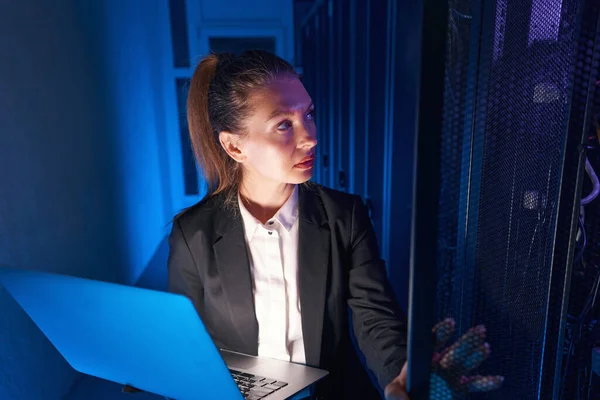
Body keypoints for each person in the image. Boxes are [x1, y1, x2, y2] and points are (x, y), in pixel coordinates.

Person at [167, 50, 503, 399]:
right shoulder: (193, 235)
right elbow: (187, 344)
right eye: (284, 124)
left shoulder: (345, 216)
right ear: (235, 146)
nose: (309, 136)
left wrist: (401, 374)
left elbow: (375, 319)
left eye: (309, 114)